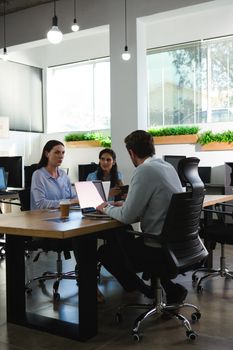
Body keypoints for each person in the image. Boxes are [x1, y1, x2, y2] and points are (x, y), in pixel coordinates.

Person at [96, 130, 188, 304]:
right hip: (177, 243)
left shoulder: (144, 170)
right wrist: (125, 204)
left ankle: (145, 290)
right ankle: (171, 289)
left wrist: (105, 207)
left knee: (106, 252)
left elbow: (126, 216)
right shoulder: (167, 166)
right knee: (122, 234)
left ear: (131, 152)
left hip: (158, 246)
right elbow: (156, 202)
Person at [30, 140, 105, 303]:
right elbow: (40, 204)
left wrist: (84, 198)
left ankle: (87, 281)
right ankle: (89, 284)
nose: (61, 156)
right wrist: (69, 202)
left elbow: (72, 197)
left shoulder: (63, 175)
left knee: (88, 235)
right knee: (82, 239)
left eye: (63, 153)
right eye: (57, 152)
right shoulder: (39, 175)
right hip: (45, 224)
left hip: (63, 221)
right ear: (46, 153)